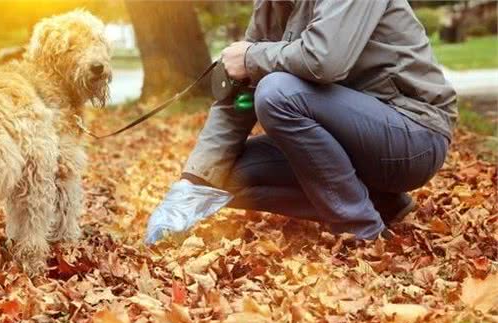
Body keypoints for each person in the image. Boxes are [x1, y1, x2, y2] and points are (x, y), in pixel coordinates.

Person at [145, 0, 457, 244]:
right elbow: (239, 94)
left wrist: (252, 57)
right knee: (223, 179)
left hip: (412, 135)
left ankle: (361, 230)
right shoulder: (270, 5)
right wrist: (193, 183)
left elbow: (324, 61)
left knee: (277, 93)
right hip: (352, 138)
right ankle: (380, 202)